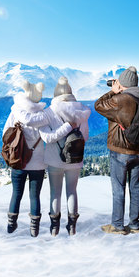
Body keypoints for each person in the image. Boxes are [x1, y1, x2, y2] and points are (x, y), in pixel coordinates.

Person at [3, 80, 72, 237]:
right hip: (38, 164)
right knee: (35, 196)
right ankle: (35, 229)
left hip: (18, 161)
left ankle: (11, 226)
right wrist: (68, 126)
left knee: (16, 194)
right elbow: (50, 137)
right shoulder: (43, 117)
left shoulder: (16, 113)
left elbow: (5, 134)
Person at [94, 66, 139, 235]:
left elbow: (99, 106)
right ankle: (134, 225)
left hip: (120, 151)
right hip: (138, 151)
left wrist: (112, 92)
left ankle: (117, 225)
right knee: (135, 189)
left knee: (118, 189)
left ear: (122, 83)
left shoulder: (121, 100)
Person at [39, 77, 91, 236]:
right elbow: (85, 136)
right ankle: (72, 227)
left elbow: (48, 138)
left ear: (55, 95)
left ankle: (54, 228)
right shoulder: (81, 112)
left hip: (55, 159)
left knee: (55, 192)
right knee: (72, 191)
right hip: (75, 159)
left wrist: (64, 128)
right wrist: (71, 129)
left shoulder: (48, 112)